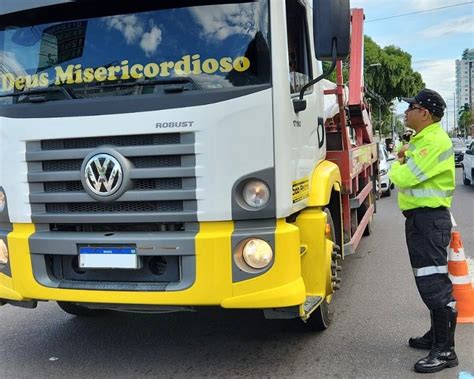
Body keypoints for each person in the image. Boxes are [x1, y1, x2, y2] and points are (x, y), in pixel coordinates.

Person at [389, 88, 457, 374]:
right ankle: (436, 336)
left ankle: (445, 351)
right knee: (427, 281)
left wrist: (395, 163)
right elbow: (405, 156)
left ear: (425, 113)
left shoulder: (433, 140)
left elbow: (404, 175)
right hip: (422, 220)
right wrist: (402, 154)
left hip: (429, 221)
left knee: (434, 284)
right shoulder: (423, 138)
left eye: (411, 107)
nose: (406, 111)